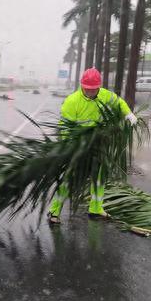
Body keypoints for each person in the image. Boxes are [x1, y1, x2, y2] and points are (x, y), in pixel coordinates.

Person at [48, 68, 137, 225]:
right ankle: (54, 212)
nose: (91, 92)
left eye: (94, 89)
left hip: (97, 145)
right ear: (82, 86)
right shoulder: (72, 101)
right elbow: (65, 127)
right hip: (77, 146)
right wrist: (72, 147)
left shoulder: (105, 95)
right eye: (88, 89)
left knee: (99, 178)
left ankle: (96, 209)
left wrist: (128, 114)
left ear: (99, 86)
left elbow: (119, 102)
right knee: (68, 180)